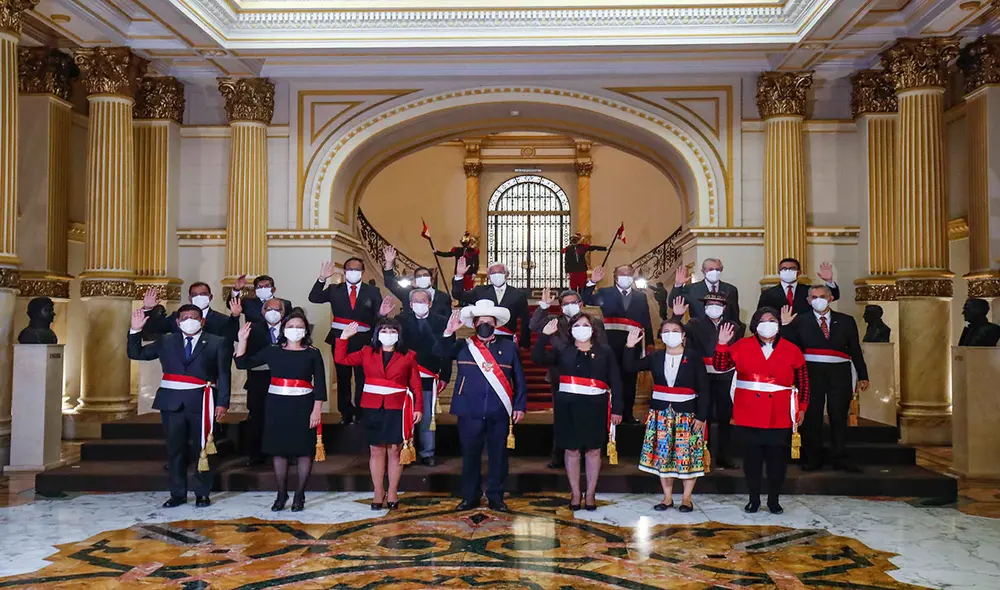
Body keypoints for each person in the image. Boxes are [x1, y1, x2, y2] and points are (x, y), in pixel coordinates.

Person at [127, 304, 231, 509]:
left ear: (202, 321)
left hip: (202, 401)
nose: (189, 320)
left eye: (194, 317)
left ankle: (202, 493)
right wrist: (135, 330)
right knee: (175, 449)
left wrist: (222, 403)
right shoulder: (166, 340)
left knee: (203, 449)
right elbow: (136, 353)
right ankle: (177, 494)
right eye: (184, 317)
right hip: (172, 402)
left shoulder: (217, 342)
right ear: (177, 322)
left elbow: (224, 374)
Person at [714, 307, 810, 514]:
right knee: (752, 460)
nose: (768, 323)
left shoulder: (791, 349)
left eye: (772, 319)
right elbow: (721, 366)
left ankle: (774, 499)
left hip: (780, 412)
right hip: (749, 412)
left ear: (779, 324)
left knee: (777, 461)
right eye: (763, 320)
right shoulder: (742, 345)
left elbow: (803, 381)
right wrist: (722, 343)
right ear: (756, 324)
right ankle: (754, 499)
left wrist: (802, 408)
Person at [436, 300, 527, 512]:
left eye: (489, 321)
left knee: (499, 456)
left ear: (495, 324)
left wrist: (520, 405)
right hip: (469, 410)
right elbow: (440, 352)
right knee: (470, 455)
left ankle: (496, 497)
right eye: (480, 321)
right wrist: (449, 332)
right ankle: (470, 496)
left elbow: (519, 379)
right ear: (474, 324)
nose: (485, 325)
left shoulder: (509, 347)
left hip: (499, 411)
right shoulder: (462, 345)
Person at [235, 308, 326, 512]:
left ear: (306, 331)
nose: (295, 330)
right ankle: (281, 493)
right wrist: (242, 341)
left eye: (300, 327)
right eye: (291, 327)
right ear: (283, 329)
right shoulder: (272, 350)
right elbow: (242, 363)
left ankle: (300, 494)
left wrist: (317, 410)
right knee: (279, 450)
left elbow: (320, 384)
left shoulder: (313, 353)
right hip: (277, 404)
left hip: (304, 404)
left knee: (304, 450)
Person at [533, 312, 622, 511]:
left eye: (585, 325)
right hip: (568, 406)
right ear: (571, 330)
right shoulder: (563, 350)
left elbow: (615, 380)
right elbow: (537, 357)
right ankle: (575, 493)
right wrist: (543, 336)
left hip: (596, 406)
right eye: (577, 325)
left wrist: (617, 409)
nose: (581, 329)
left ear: (593, 329)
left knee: (593, 450)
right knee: (571, 450)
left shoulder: (605, 351)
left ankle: (590, 493)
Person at [336, 317, 423, 511]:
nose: (388, 335)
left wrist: (418, 408)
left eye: (393, 331)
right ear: (377, 333)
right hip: (372, 406)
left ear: (399, 335)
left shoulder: (408, 355)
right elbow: (341, 359)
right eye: (384, 330)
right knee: (376, 450)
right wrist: (343, 338)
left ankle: (392, 491)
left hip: (397, 407)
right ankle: (378, 491)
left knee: (394, 450)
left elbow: (416, 384)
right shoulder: (367, 352)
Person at [780, 285, 869, 473]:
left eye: (822, 296)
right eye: (813, 297)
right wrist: (786, 326)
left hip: (840, 372)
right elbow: (788, 348)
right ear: (808, 301)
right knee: (812, 416)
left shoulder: (846, 321)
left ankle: (840, 457)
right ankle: (813, 458)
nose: (818, 299)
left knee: (838, 416)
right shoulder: (799, 321)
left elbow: (854, 348)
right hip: (810, 372)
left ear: (830, 298)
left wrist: (863, 375)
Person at [624, 318, 709, 512]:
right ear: (662, 336)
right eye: (667, 330)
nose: (671, 334)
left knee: (688, 456)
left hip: (687, 414)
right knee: (664, 456)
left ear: (683, 335)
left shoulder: (693, 357)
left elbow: (704, 388)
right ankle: (667, 497)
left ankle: (687, 498)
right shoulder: (656, 356)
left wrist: (701, 416)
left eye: (675, 330)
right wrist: (629, 346)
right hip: (661, 413)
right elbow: (630, 367)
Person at [308, 258, 389, 425]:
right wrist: (322, 279)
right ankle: (345, 412)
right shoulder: (333, 289)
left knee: (362, 377)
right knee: (343, 377)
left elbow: (377, 317)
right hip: (340, 339)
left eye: (357, 269)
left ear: (363, 272)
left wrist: (381, 314)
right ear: (344, 272)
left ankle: (361, 413)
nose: (353, 272)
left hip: (364, 340)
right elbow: (313, 297)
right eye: (350, 269)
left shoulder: (372, 291)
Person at [670, 292, 745, 469]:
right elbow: (675, 331)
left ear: (724, 307)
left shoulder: (734, 326)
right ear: (704, 307)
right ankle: (702, 453)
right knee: (703, 415)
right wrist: (677, 316)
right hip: (702, 375)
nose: (713, 307)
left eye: (718, 304)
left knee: (725, 417)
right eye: (710, 303)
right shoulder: (694, 324)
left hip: (726, 375)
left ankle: (724, 455)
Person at [529, 287, 599, 469]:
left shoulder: (593, 322)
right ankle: (558, 455)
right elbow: (533, 325)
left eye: (573, 303)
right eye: (565, 304)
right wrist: (544, 305)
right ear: (560, 307)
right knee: (562, 417)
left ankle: (585, 455)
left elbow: (602, 346)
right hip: (559, 375)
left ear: (581, 304)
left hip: (588, 377)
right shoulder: (554, 321)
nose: (570, 306)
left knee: (586, 417)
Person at [581, 264, 654, 423]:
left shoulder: (640, 296)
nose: (625, 276)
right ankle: (608, 413)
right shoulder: (605, 292)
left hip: (633, 345)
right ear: (615, 276)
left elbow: (646, 321)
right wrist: (592, 282)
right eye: (622, 273)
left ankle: (628, 414)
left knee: (630, 380)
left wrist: (649, 344)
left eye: (629, 273)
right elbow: (585, 299)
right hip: (610, 343)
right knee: (609, 378)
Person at [396, 289, 451, 466]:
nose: (420, 303)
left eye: (423, 300)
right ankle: (406, 449)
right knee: (406, 414)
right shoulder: (400, 321)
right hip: (404, 376)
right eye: (416, 301)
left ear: (430, 303)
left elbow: (447, 351)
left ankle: (427, 453)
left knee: (427, 416)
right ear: (410, 305)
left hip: (429, 374)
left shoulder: (442, 322)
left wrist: (445, 375)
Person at [240, 298, 286, 467]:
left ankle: (286, 452)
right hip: (259, 380)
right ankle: (256, 454)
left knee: (284, 417)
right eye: (268, 308)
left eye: (277, 309)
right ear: (262, 311)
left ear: (283, 312)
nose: (273, 312)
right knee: (257, 419)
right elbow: (246, 357)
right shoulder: (252, 330)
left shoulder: (291, 328)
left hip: (284, 381)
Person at [452, 257, 530, 348]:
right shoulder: (480, 291)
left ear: (507, 275)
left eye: (500, 272)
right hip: (483, 338)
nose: (496, 275)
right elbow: (458, 295)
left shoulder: (518, 294)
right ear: (488, 276)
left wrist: (524, 343)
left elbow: (525, 320)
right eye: (493, 273)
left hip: (507, 339)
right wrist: (459, 275)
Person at [139, 283, 240, 343]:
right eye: (195, 295)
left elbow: (233, 337)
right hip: (181, 370)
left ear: (210, 297)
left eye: (203, 294)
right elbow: (152, 330)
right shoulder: (176, 317)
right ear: (189, 298)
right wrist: (148, 309)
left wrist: (235, 316)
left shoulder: (222, 320)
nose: (199, 297)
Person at [383, 245, 452, 317]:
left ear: (431, 279)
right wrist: (389, 263)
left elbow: (448, 319)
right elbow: (390, 283)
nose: (422, 277)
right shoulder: (407, 293)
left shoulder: (443, 297)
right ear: (415, 280)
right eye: (419, 276)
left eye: (425, 275)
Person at [757, 258, 840, 314]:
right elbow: (760, 315)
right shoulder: (767, 294)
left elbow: (833, 296)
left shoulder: (809, 290)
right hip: (780, 334)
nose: (788, 271)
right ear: (779, 272)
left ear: (799, 272)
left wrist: (829, 281)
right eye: (784, 269)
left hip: (805, 333)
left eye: (792, 268)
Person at [669, 258, 740, 322]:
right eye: (711, 269)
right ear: (703, 271)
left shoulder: (730, 290)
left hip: (724, 331)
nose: (715, 272)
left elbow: (734, 315)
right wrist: (678, 285)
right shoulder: (691, 289)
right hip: (697, 331)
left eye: (717, 269)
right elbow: (673, 304)